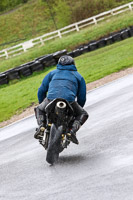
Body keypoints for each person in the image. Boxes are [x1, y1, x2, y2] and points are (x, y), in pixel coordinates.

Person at [34, 55, 88, 144]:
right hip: (69, 101)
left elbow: (41, 91)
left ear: (59, 64)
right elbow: (82, 97)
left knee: (39, 108)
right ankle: (72, 131)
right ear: (73, 64)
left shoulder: (52, 73)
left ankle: (42, 126)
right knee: (83, 114)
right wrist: (76, 112)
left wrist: (43, 104)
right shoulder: (79, 76)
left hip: (51, 99)